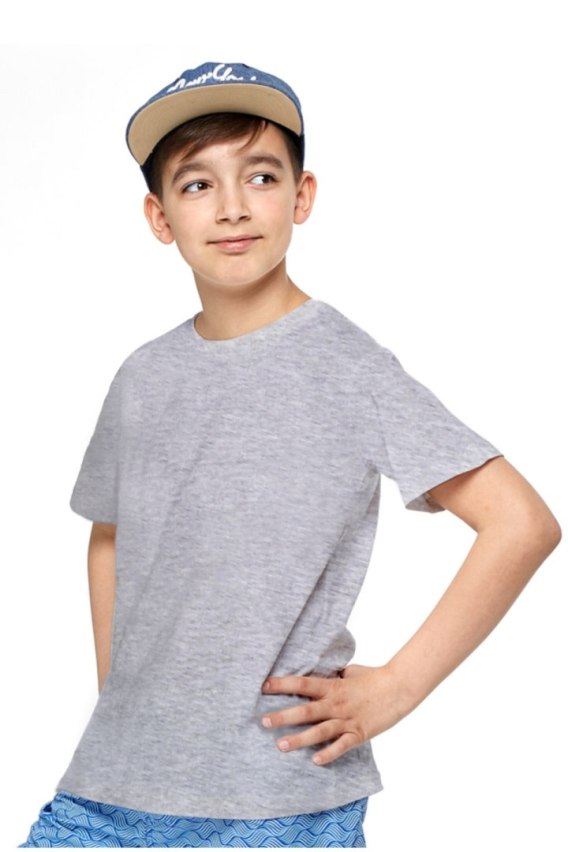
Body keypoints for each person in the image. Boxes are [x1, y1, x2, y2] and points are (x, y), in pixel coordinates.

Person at [18, 61, 561, 848]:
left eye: (261, 176)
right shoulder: (142, 378)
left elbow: (522, 523)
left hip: (278, 799)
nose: (233, 206)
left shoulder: (348, 368)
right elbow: (109, 536)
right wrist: (121, 698)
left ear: (302, 196)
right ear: (160, 216)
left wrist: (396, 688)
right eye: (197, 184)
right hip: (114, 787)